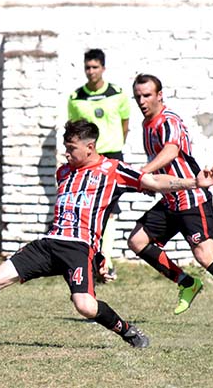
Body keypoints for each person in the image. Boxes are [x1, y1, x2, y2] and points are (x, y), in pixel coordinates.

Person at [0, 119, 213, 348]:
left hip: (79, 248)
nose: (66, 154)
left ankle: (127, 331)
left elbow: (153, 182)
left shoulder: (112, 169)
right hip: (49, 242)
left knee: (84, 305)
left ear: (91, 147)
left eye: (72, 148)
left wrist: (194, 182)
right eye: (66, 148)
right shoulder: (65, 171)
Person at [128, 74, 213, 329]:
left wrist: (144, 174)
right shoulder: (147, 124)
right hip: (170, 202)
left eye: (147, 95)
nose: (142, 101)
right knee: (137, 240)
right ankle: (187, 283)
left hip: (191, 200)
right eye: (138, 97)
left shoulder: (169, 121)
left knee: (205, 255)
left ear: (160, 95)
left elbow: (171, 151)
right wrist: (152, 182)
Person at [68, 48, 131, 280]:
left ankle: (108, 263)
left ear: (103, 68)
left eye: (95, 67)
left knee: (111, 211)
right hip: (88, 159)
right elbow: (74, 130)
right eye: (87, 67)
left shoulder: (118, 94)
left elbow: (125, 123)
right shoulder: (76, 98)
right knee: (89, 210)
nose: (91, 71)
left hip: (111, 156)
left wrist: (115, 146)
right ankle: (90, 262)